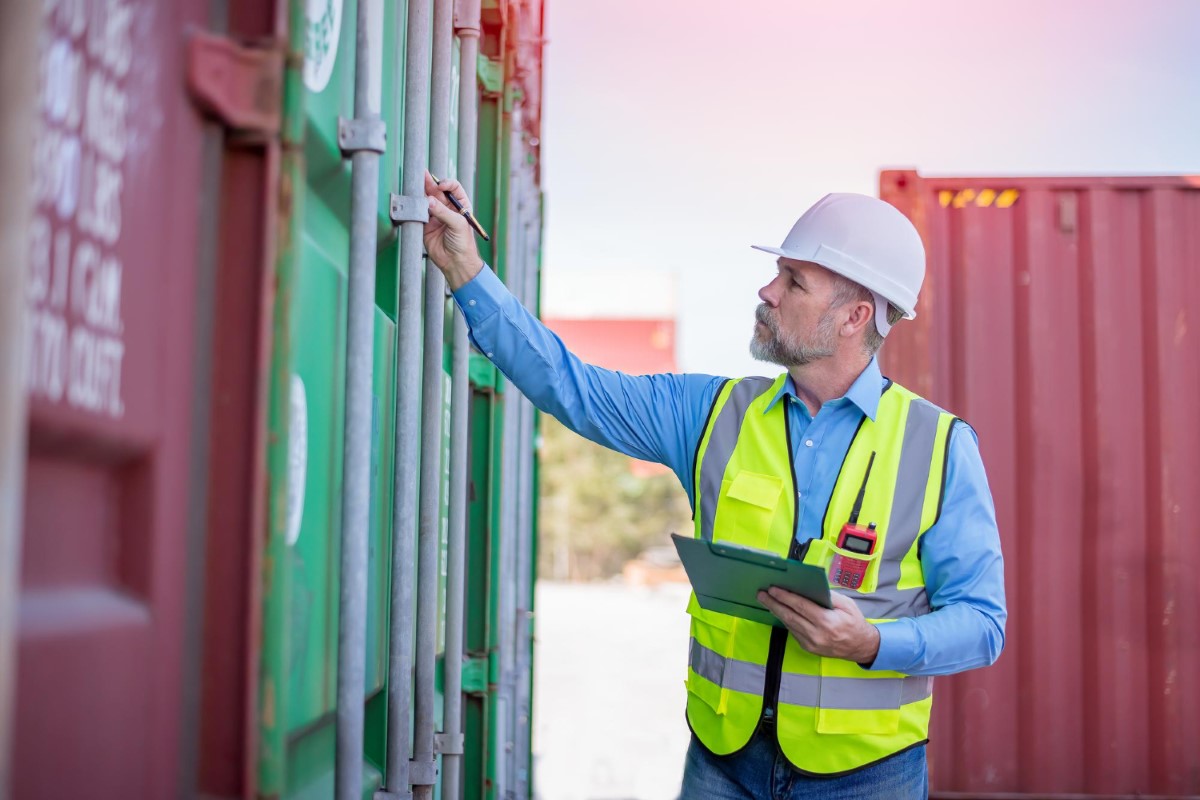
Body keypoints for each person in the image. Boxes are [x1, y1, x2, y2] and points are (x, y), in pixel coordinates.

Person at [422, 174, 1006, 800]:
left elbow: (981, 623)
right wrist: (465, 269)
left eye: (793, 281)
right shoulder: (710, 413)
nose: (767, 290)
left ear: (854, 316)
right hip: (722, 763)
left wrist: (871, 643)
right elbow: (573, 387)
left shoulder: (940, 446)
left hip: (868, 776)